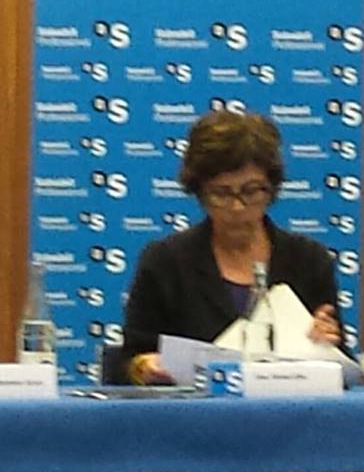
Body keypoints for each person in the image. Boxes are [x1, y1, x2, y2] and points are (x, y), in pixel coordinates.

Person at [117, 111, 344, 385]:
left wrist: (325, 343)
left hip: (286, 405)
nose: (237, 207)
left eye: (251, 191)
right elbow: (129, 359)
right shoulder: (165, 261)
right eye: (221, 193)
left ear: (271, 188)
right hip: (193, 408)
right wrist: (144, 365)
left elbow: (342, 371)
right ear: (199, 192)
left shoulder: (308, 259)